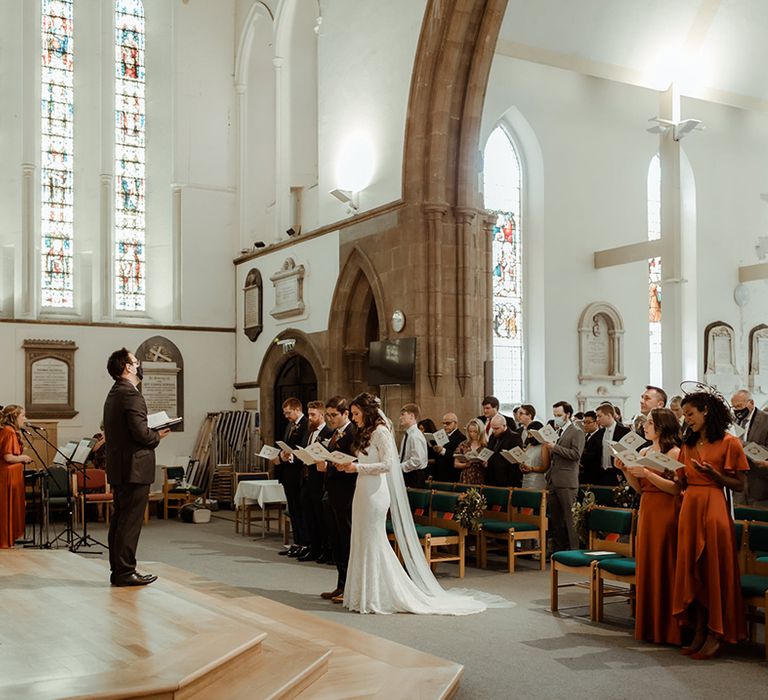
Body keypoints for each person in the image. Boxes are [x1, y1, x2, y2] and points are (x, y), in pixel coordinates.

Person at [339, 392, 484, 615]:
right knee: (360, 539)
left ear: (367, 412)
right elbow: (370, 460)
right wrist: (351, 464)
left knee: (372, 539)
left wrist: (357, 467)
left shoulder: (381, 432)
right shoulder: (365, 432)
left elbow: (389, 464)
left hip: (376, 491)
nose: (354, 417)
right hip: (362, 489)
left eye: (357, 413)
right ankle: (361, 593)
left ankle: (378, 594)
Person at [671, 390, 749, 659]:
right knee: (693, 570)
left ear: (705, 410)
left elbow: (740, 484)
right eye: (684, 416)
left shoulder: (729, 442)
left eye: (691, 414)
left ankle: (717, 633)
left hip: (714, 505)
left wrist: (716, 476)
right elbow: (681, 481)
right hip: (690, 506)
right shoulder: (688, 443)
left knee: (713, 570)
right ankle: (699, 630)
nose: (687, 420)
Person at [103, 349, 170, 586]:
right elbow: (141, 434)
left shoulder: (115, 393)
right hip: (134, 468)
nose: (139, 365)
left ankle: (119, 570)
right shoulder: (131, 394)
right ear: (128, 367)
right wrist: (158, 435)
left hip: (121, 468)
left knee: (120, 520)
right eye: (135, 361)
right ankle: (124, 572)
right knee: (129, 522)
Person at [617, 408, 681, 645]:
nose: (645, 426)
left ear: (662, 426)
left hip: (667, 509)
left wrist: (647, 473)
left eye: (650, 423)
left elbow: (676, 488)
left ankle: (669, 628)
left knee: (665, 563)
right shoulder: (644, 450)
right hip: (648, 507)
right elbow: (639, 488)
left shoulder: (675, 452)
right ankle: (650, 625)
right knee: (648, 563)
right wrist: (625, 470)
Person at [319, 396, 357, 603]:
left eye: (334, 415)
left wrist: (332, 464)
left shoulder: (353, 433)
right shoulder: (335, 433)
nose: (330, 418)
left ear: (346, 414)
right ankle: (341, 584)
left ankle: (348, 587)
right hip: (332, 490)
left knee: (346, 540)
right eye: (328, 415)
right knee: (336, 541)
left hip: (346, 492)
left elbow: (356, 461)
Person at [544, 401, 585, 552]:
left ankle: (574, 549)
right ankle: (558, 550)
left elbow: (576, 455)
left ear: (568, 414)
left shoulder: (577, 432)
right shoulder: (558, 431)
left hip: (567, 480)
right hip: (554, 479)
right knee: (556, 519)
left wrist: (555, 447)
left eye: (559, 415)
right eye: (555, 415)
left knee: (570, 518)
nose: (556, 418)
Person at [297, 400, 334, 562]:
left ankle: (326, 550)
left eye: (313, 415)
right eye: (309, 414)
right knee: (309, 515)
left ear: (321, 415)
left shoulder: (328, 432)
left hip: (320, 480)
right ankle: (314, 547)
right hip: (307, 478)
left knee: (321, 518)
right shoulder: (309, 431)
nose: (310, 417)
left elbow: (329, 455)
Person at [274, 397, 309, 557]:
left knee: (301, 509)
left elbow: (305, 448)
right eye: (285, 413)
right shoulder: (290, 425)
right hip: (288, 473)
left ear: (297, 410)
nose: (286, 416)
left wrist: (292, 457)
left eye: (288, 412)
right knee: (293, 509)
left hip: (299, 474)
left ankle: (304, 543)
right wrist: (281, 454)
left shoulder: (306, 425)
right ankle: (296, 542)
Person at [0, 405, 32, 548]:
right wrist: (23, 457)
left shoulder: (10, 431)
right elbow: (7, 456)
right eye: (22, 416)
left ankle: (8, 539)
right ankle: (5, 540)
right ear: (14, 417)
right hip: (8, 475)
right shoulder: (9, 431)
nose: (25, 419)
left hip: (12, 474)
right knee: (7, 508)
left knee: (10, 507)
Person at [730, 389, 768, 506]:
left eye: (739, 406)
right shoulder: (733, 421)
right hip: (739, 482)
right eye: (734, 407)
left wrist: (742, 444)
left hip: (759, 480)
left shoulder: (765, 420)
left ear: (751, 403)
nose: (737, 410)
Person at [595, 403, 630, 485]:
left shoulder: (624, 432)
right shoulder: (599, 433)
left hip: (617, 473)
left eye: (599, 416)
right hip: (601, 473)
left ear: (609, 415)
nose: (597, 419)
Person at [487, 413, 524, 486]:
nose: (494, 431)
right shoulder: (492, 436)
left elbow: (517, 458)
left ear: (504, 426)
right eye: (492, 428)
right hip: (492, 477)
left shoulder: (514, 437)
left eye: (496, 428)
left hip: (507, 477)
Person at [517, 404, 547, 489]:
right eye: (528, 434)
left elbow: (545, 467)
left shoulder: (544, 446)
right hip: (526, 478)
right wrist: (522, 465)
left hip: (537, 479)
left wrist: (531, 468)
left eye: (531, 434)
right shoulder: (529, 445)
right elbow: (525, 460)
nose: (529, 436)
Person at [398, 403, 428, 489]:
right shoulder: (408, 434)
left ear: (411, 416)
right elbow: (404, 455)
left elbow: (416, 460)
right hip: (408, 473)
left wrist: (399, 467)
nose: (400, 418)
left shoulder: (415, 435)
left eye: (403, 415)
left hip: (414, 476)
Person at [431, 413, 464, 482]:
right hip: (440, 473)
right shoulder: (444, 435)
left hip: (451, 474)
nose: (445, 425)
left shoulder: (461, 437)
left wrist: (442, 450)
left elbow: (459, 457)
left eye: (448, 423)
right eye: (443, 423)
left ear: (455, 423)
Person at [453, 418, 488, 485]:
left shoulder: (485, 445)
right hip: (466, 476)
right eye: (470, 431)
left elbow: (490, 464)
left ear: (480, 431)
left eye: (475, 432)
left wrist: (485, 463)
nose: (472, 434)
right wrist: (465, 465)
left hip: (481, 475)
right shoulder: (463, 444)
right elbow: (456, 464)